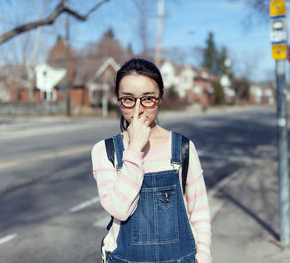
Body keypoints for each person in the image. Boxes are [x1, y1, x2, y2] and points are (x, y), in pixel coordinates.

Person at [91, 58, 212, 263]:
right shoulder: (105, 151)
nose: (138, 109)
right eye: (128, 99)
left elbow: (199, 212)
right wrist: (135, 149)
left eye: (148, 98)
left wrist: (204, 257)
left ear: (161, 97)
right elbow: (120, 209)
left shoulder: (183, 148)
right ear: (118, 99)